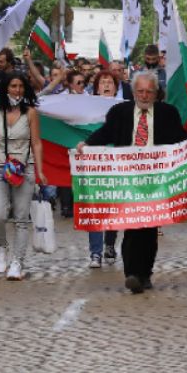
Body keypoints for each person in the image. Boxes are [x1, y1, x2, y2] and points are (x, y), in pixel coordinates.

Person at [78, 72, 187, 293]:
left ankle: (145, 273)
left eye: (149, 91)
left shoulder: (168, 113)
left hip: (157, 179)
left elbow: (181, 139)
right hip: (127, 178)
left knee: (148, 229)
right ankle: (131, 273)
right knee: (131, 225)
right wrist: (87, 143)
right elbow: (105, 133)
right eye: (141, 91)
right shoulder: (120, 112)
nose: (145, 95)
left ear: (156, 93)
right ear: (134, 91)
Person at [0, 73, 46, 281]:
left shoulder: (30, 113)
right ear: (6, 88)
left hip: (24, 169)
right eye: (13, 86)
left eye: (21, 86)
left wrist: (40, 170)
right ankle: (0, 247)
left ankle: (17, 262)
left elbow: (36, 143)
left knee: (21, 218)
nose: (17, 90)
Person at [84, 70, 122, 267]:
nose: (106, 85)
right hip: (94, 166)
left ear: (116, 88)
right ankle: (95, 253)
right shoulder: (84, 108)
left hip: (117, 165)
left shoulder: (123, 108)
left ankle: (109, 243)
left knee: (113, 208)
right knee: (95, 208)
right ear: (96, 87)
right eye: (102, 82)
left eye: (110, 82)